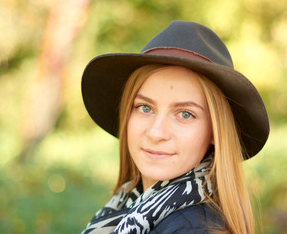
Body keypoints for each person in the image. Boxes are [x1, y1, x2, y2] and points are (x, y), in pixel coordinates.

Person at [80, 20, 269, 234]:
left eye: (185, 114)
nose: (156, 132)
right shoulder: (128, 204)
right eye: (144, 107)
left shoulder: (194, 229)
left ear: (215, 132)